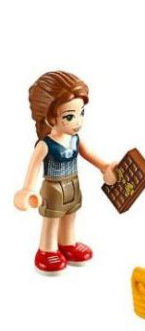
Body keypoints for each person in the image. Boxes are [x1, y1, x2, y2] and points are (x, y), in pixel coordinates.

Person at [13, 71, 117, 274]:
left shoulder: (75, 139)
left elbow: (88, 154)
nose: (78, 122)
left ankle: (67, 243)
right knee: (52, 219)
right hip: (53, 187)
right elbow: (33, 167)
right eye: (69, 116)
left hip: (73, 183)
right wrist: (27, 190)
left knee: (70, 214)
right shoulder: (45, 145)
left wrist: (105, 167)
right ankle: (46, 250)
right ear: (50, 118)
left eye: (81, 113)